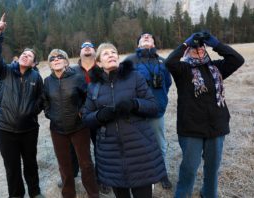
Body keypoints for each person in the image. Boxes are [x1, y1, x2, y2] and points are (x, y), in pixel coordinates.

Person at [165, 31, 244, 198]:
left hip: (217, 127)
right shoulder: (183, 70)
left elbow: (237, 59)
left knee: (212, 168)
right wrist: (186, 44)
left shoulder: (216, 68)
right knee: (189, 168)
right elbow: (169, 62)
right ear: (188, 53)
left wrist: (216, 44)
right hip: (191, 128)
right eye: (195, 50)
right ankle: (183, 194)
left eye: (202, 49)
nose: (200, 52)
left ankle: (209, 194)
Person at [82, 43, 166, 198]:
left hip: (140, 150)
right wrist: (100, 115)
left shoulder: (135, 77)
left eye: (114, 52)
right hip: (110, 155)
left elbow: (154, 106)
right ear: (99, 63)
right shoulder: (93, 87)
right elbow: (87, 119)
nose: (111, 55)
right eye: (106, 54)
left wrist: (135, 104)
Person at [0, 13, 44, 198]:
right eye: (24, 54)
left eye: (30, 56)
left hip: (29, 129)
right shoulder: (5, 71)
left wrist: (31, 112)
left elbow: (41, 99)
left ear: (34, 63)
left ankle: (35, 193)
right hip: (5, 129)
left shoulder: (36, 77)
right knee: (12, 168)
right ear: (19, 58)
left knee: (30, 163)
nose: (26, 56)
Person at [43, 49, 99, 198]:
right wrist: (50, 114)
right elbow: (45, 101)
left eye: (60, 57)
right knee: (64, 166)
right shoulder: (47, 81)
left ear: (66, 61)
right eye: (52, 58)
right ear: (50, 63)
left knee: (86, 164)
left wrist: (82, 112)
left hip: (79, 128)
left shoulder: (78, 77)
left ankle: (93, 193)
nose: (56, 59)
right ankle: (68, 194)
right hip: (57, 130)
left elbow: (88, 97)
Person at [124, 32, 172, 189]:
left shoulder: (162, 62)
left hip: (156, 110)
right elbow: (122, 84)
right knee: (139, 145)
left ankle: (162, 173)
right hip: (136, 112)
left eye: (150, 36)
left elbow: (167, 83)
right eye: (143, 37)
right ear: (138, 44)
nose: (146, 37)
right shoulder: (129, 61)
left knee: (160, 144)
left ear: (154, 43)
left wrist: (160, 100)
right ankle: (143, 176)